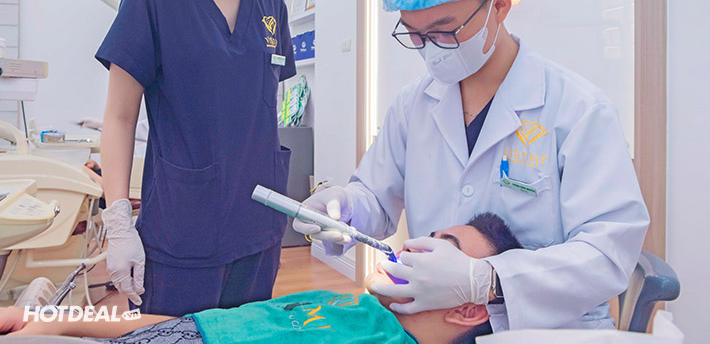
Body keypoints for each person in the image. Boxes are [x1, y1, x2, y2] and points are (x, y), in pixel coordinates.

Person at [293, 0, 650, 331]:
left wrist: (489, 280)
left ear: (500, 6)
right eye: (415, 34)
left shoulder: (578, 110)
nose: (431, 49)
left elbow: (607, 253)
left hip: (545, 328)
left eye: (445, 30)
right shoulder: (413, 104)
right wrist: (344, 209)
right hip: (434, 324)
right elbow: (376, 195)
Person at [95, 0, 304, 316]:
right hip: (182, 225)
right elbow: (119, 118)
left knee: (245, 334)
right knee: (172, 335)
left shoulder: (271, 4)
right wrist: (118, 222)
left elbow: (259, 111)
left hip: (259, 224)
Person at [0, 213, 522, 344]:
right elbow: (194, 327)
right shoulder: (344, 305)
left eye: (444, 252)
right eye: (427, 238)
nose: (412, 247)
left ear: (470, 307)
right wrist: (50, 318)